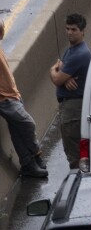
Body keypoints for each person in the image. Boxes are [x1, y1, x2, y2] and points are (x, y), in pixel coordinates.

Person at [0, 17, 45, 177]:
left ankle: (28, 164)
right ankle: (37, 154)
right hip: (5, 99)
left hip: (12, 94)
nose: (3, 31)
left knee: (17, 130)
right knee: (28, 124)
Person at [48, 13, 89, 170]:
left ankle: (78, 181)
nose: (70, 32)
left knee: (74, 151)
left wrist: (54, 70)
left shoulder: (79, 54)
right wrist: (65, 77)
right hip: (70, 106)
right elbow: (61, 69)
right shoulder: (71, 51)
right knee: (71, 147)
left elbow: (57, 76)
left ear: (82, 31)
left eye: (74, 29)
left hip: (73, 109)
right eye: (67, 29)